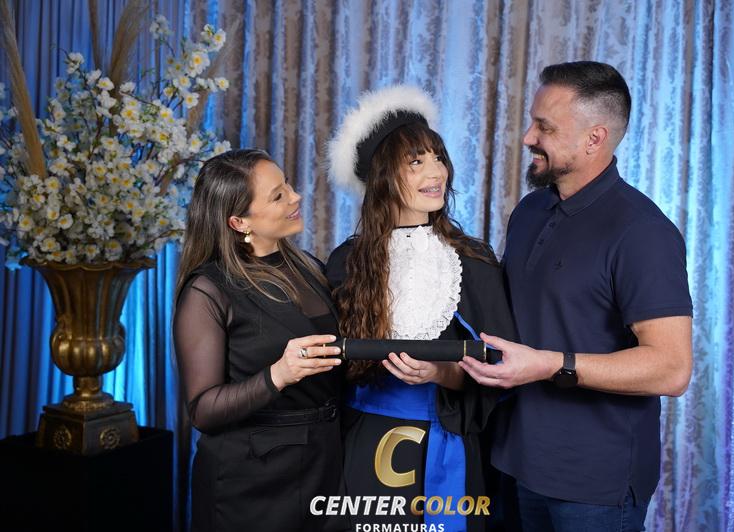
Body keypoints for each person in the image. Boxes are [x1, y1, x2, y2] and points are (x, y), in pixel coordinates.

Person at [459, 61, 694, 532]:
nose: (528, 137)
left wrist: (549, 364)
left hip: (594, 485)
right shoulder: (530, 210)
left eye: (545, 127)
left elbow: (672, 369)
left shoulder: (642, 232)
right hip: (510, 462)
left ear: (594, 139)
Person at [325, 85, 517, 532]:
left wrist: (442, 373)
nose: (436, 172)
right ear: (382, 177)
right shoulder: (345, 262)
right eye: (416, 162)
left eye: (438, 158)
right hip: (360, 443)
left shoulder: (473, 262)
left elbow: (503, 366)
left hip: (444, 442)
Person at [173, 149, 349, 532]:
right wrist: (278, 375)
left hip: (324, 466)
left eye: (288, 185)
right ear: (239, 222)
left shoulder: (311, 267)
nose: (296, 196)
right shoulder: (207, 291)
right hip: (251, 483)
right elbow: (203, 410)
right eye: (278, 195)